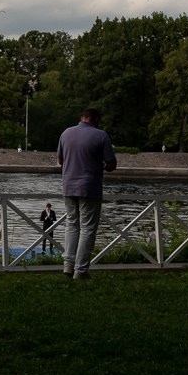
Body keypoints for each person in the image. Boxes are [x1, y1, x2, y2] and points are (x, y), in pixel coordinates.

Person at [55, 108, 116, 279]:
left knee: (72, 224)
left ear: (81, 118)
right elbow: (111, 164)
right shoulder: (101, 135)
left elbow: (60, 160)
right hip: (89, 187)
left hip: (68, 186)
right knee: (88, 228)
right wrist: (100, 166)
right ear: (95, 119)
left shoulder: (66, 133)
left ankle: (68, 265)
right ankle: (80, 271)